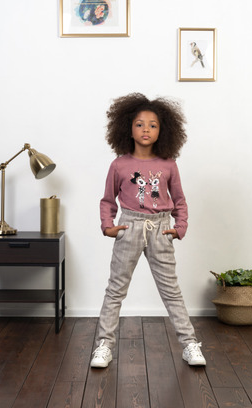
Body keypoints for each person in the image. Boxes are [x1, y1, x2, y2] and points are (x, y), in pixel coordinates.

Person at [91, 93, 206, 368]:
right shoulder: (119, 165)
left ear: (162, 130)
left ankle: (190, 344)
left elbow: (179, 200)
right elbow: (108, 200)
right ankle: (103, 346)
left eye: (153, 125)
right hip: (128, 227)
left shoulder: (168, 164)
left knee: (171, 290)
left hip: (160, 229)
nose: (146, 129)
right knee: (115, 289)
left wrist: (179, 228)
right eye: (140, 124)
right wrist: (109, 226)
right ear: (128, 128)